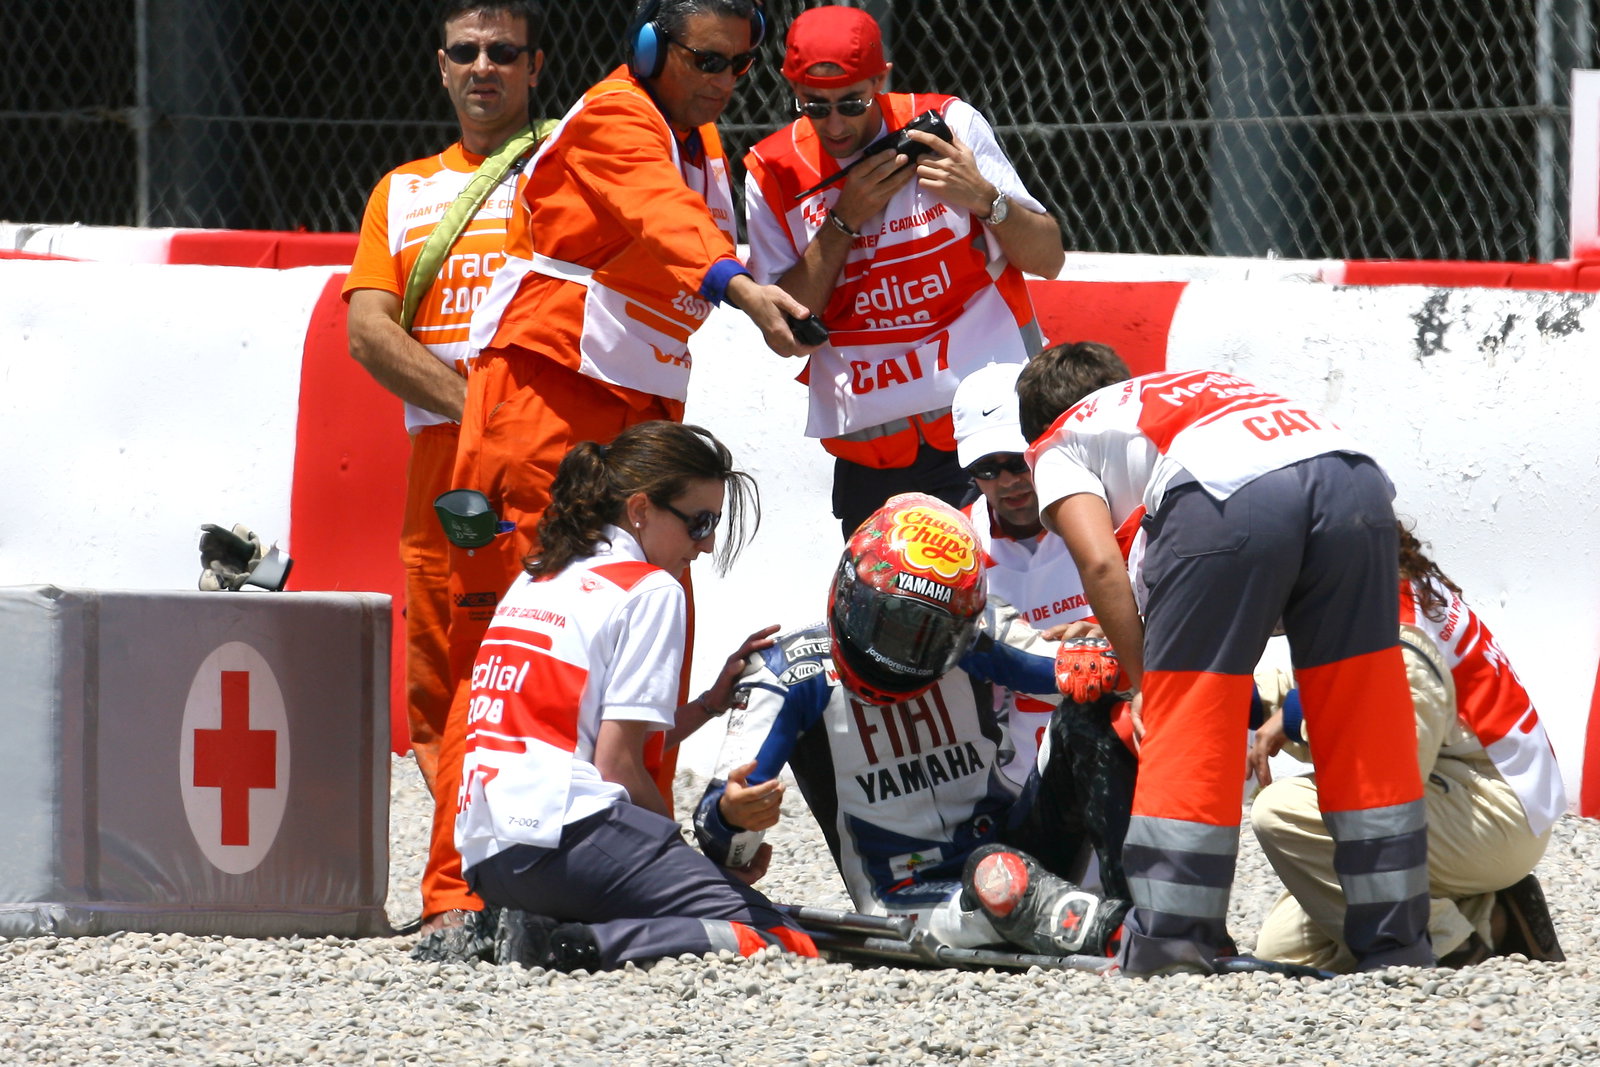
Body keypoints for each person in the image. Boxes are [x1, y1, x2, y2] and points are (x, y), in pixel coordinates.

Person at [423, 0, 819, 955]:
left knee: (645, 638)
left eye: (739, 65)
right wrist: (738, 290)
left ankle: (626, 857)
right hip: (545, 399)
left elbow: (738, 226)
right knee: (511, 644)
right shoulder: (615, 116)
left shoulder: (706, 139)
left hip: (631, 414)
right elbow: (662, 216)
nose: (726, 79)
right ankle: (456, 899)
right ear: (651, 49)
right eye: (708, 60)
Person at [1016, 342, 1433, 976]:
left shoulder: (1059, 438)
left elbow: (1100, 562)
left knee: (1186, 710)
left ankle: (1175, 943)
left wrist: (1144, 683)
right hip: (1355, 481)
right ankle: (1398, 944)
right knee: (1361, 710)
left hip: (1227, 494)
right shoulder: (1176, 393)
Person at [692, 493, 1132, 958]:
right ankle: (1102, 927)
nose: (903, 656)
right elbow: (722, 835)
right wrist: (736, 819)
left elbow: (1076, 671)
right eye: (892, 625)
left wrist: (1109, 655)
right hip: (905, 893)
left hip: (1014, 841)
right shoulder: (785, 671)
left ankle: (1139, 901)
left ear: (963, 623)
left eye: (931, 638)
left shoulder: (976, 629)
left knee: (1089, 712)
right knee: (997, 877)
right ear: (849, 589)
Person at [456, 420, 818, 971]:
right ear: (642, 509)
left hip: (489, 857)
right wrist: (688, 860)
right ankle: (589, 947)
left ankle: (542, 923)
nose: (708, 543)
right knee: (778, 936)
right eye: (700, 522)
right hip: (564, 838)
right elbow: (617, 765)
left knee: (708, 902)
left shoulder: (537, 576)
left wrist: (707, 705)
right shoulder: (650, 588)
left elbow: (582, 732)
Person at [342, 0, 549, 957]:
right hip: (447, 464)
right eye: (464, 52)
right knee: (439, 685)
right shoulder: (403, 190)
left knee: (549, 664)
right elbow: (367, 329)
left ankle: (528, 877)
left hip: (552, 464)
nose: (482, 68)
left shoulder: (566, 169)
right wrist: (480, 410)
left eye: (502, 52)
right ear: (439, 67)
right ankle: (467, 877)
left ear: (535, 67)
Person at [742, 6, 1066, 537]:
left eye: (852, 102)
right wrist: (843, 220)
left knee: (1019, 603)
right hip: (873, 458)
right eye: (814, 106)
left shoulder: (950, 124)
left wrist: (984, 199)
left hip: (993, 431)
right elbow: (785, 335)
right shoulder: (771, 169)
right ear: (791, 86)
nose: (836, 123)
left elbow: (1048, 257)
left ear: (881, 78)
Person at [1248, 523, 1566, 971]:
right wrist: (1243, 701)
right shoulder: (1380, 591)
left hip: (1496, 813)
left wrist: (1301, 719)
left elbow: (1388, 775)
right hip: (1470, 792)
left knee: (1280, 811)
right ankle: (1493, 916)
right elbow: (1332, 685)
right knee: (1284, 952)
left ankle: (1446, 943)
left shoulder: (1400, 637)